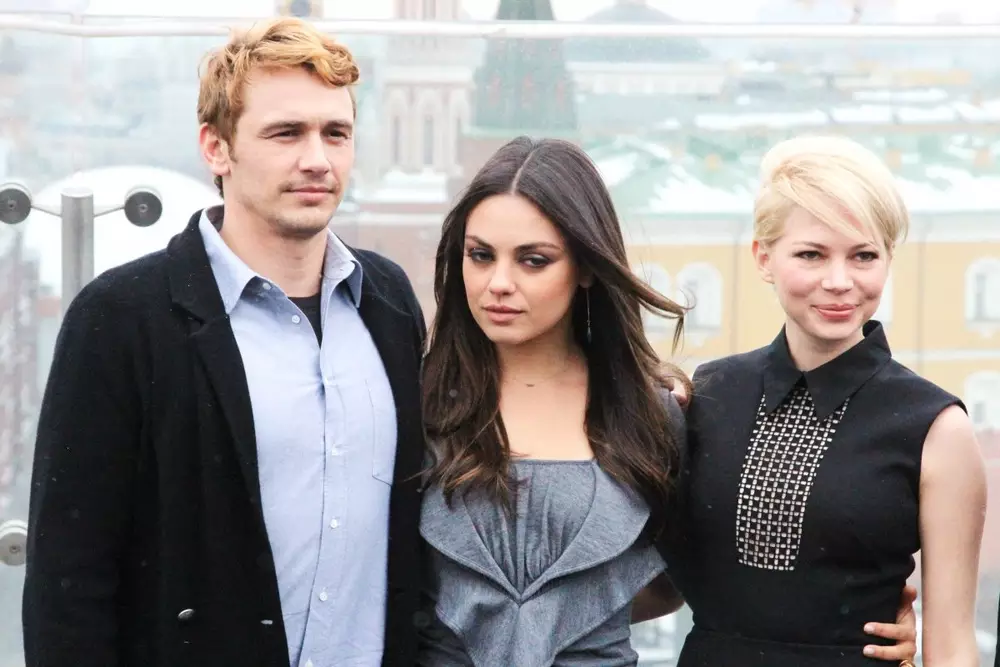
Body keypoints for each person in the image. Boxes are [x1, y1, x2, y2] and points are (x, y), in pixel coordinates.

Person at [414, 135, 920, 666]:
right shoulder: (415, 403)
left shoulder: (654, 414)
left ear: (586, 266)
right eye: (480, 255)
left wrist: (855, 624)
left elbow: (709, 571)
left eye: (534, 260)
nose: (499, 283)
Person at [22, 18, 426, 667]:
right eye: (286, 133)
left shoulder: (388, 300)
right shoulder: (122, 318)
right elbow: (69, 579)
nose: (317, 159)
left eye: (336, 133)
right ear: (216, 148)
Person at [666, 134, 988, 666]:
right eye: (811, 254)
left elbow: (952, 645)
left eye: (864, 255)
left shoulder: (935, 426)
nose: (839, 282)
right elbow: (656, 587)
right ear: (763, 258)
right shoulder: (709, 394)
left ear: (888, 260)